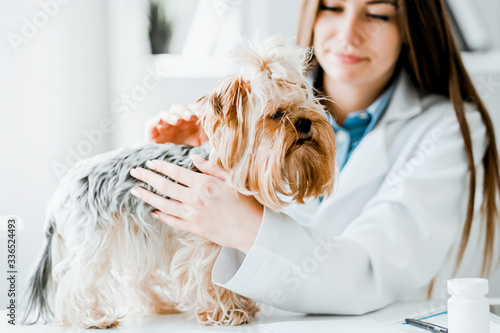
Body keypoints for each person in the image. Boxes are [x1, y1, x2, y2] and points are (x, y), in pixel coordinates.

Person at [131, 0, 500, 314]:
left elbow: (368, 275)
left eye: (378, 14)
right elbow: (186, 270)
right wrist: (199, 161)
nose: (347, 33)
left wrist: (244, 222)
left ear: (411, 27)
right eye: (333, 7)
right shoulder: (249, 112)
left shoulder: (449, 129)